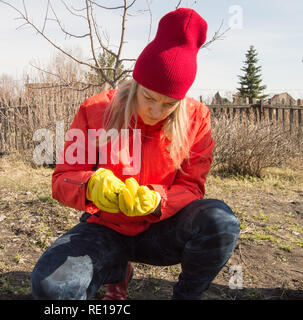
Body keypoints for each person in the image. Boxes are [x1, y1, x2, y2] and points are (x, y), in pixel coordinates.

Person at [30, 7, 240, 300]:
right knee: (53, 289)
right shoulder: (96, 110)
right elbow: (62, 178)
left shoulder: (197, 119)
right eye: (149, 98)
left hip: (161, 230)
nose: (156, 112)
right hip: (105, 227)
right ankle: (118, 270)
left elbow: (192, 186)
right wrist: (90, 185)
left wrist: (158, 200)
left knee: (221, 222)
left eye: (169, 104)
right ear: (136, 84)